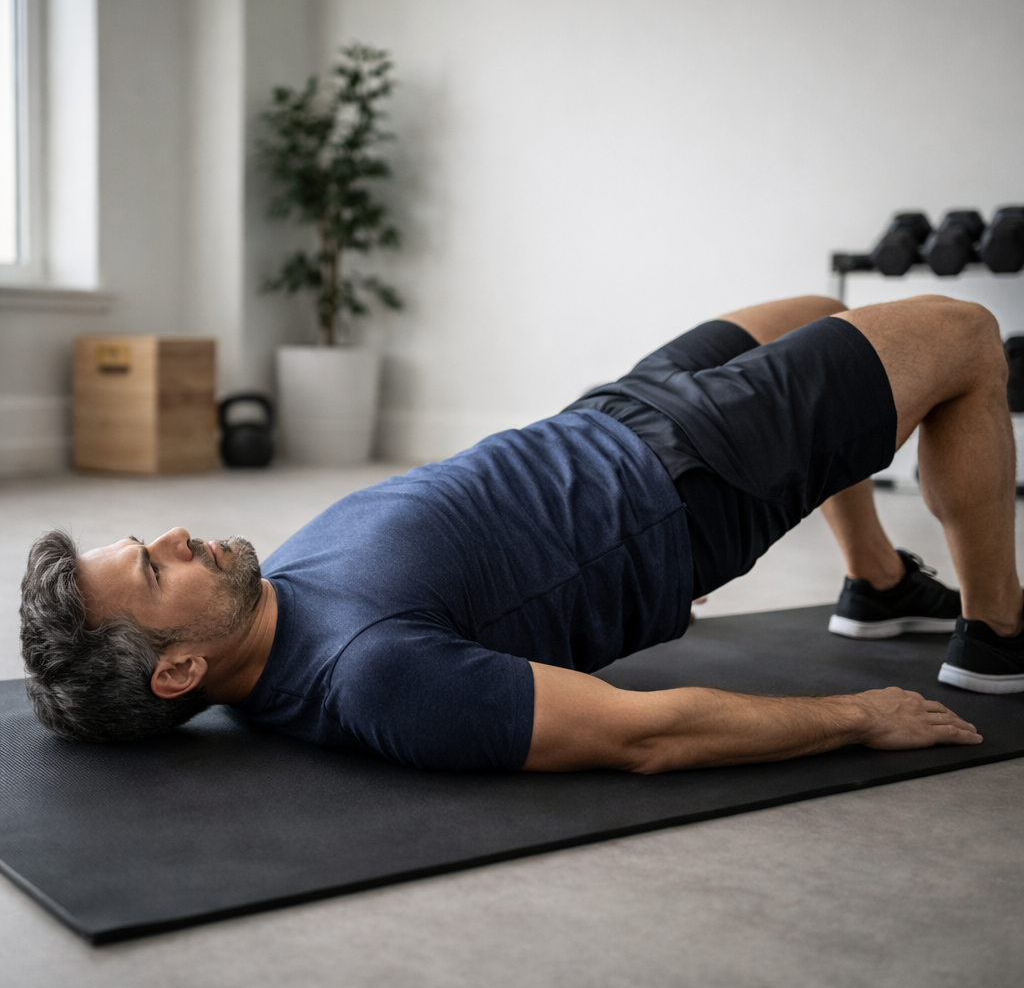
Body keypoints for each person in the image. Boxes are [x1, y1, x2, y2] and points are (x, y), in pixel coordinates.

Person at [20, 295, 1023, 773]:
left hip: (612, 417)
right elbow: (644, 733)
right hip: (701, 474)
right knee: (963, 334)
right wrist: (856, 718)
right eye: (154, 568)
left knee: (821, 310)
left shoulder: (257, 607)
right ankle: (997, 635)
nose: (178, 533)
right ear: (178, 671)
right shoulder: (371, 675)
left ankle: (876, 582)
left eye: (149, 539)